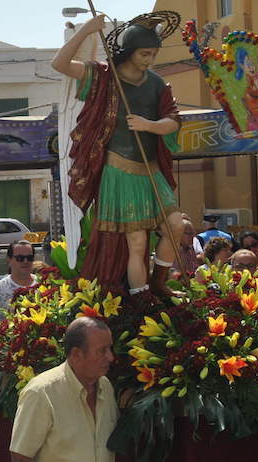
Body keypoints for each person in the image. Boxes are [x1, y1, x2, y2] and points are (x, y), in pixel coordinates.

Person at [52, 12, 185, 297]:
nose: (149, 60)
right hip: (119, 170)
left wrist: (149, 125)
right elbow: (59, 64)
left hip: (150, 169)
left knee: (176, 225)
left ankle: (160, 282)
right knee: (136, 243)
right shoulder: (103, 75)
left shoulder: (158, 84)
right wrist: (87, 30)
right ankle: (141, 298)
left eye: (153, 54)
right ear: (129, 51)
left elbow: (173, 120)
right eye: (144, 53)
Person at [10, 317, 117, 462]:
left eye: (110, 348)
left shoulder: (105, 386)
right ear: (77, 354)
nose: (110, 357)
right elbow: (20, 457)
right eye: (102, 351)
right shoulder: (41, 393)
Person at [0, 241, 39, 327]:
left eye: (29, 258)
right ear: (9, 260)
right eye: (20, 258)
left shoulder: (43, 284)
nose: (25, 261)